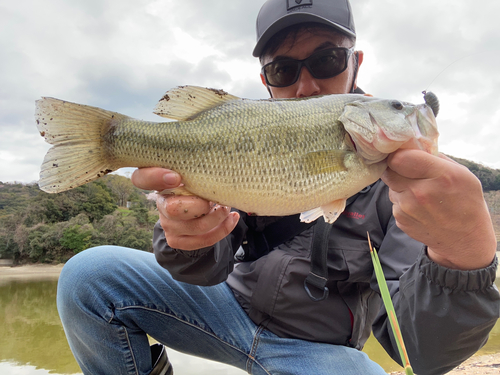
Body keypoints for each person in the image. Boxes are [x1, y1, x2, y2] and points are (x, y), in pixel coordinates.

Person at [57, 1, 500, 374]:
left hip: (320, 353)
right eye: (284, 70)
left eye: (327, 60)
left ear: (355, 61)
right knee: (88, 277)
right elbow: (201, 271)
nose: (306, 85)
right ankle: (107, 140)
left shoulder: (411, 188)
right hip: (223, 310)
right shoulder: (243, 133)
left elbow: (416, 351)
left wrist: (463, 256)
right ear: (265, 79)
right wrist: (186, 239)